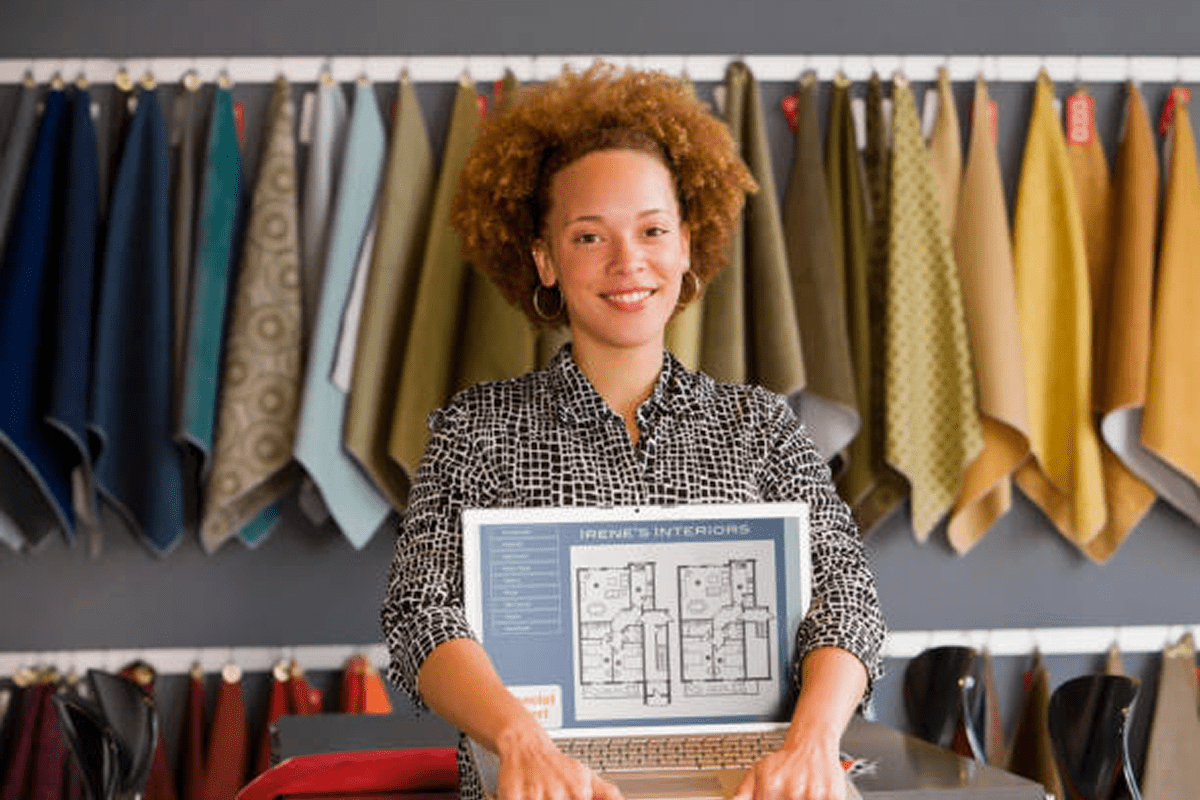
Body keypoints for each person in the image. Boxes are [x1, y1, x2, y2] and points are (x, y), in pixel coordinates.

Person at [381, 64, 885, 800]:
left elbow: (847, 598)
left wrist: (812, 743)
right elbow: (419, 613)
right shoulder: (477, 429)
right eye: (590, 237)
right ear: (545, 260)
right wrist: (521, 741)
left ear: (687, 245)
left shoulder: (764, 428)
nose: (629, 262)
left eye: (652, 230)